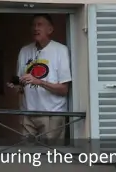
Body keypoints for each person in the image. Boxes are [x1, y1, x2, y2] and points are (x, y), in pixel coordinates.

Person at [8, 15, 72, 144]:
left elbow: (64, 89)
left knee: (51, 156)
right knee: (27, 156)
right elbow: (21, 85)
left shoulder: (60, 50)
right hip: (28, 114)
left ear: (50, 29)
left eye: (40, 25)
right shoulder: (25, 51)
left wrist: (39, 82)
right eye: (33, 25)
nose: (35, 28)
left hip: (52, 115)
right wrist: (16, 87)